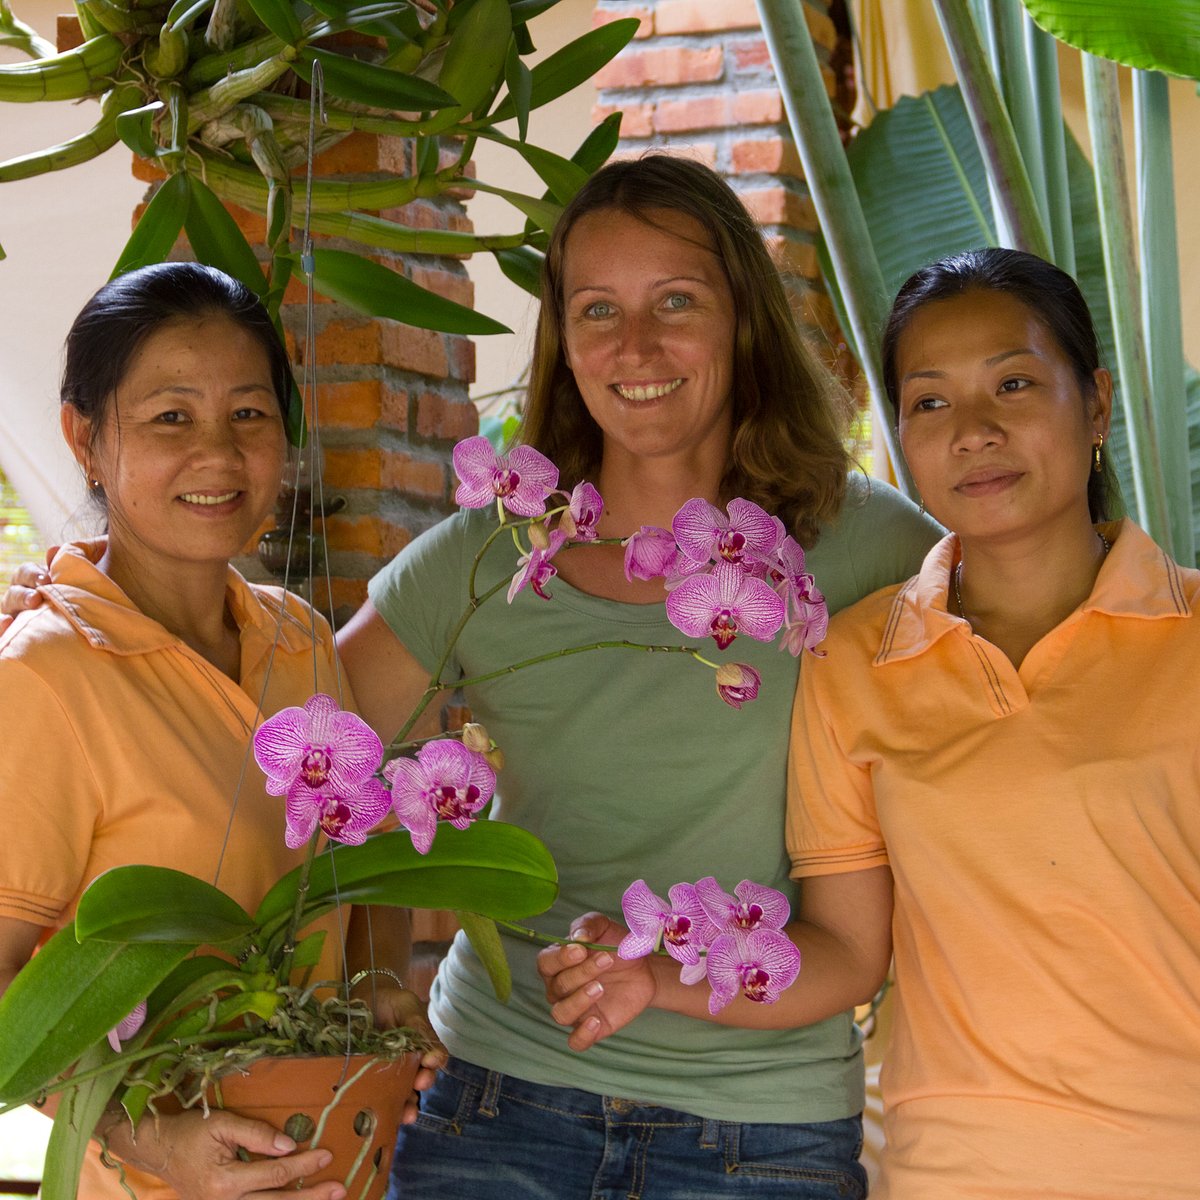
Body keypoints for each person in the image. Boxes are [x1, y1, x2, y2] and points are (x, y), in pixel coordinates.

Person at [334, 154, 940, 1199]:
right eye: (598, 310)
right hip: (498, 1105)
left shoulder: (869, 548)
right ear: (563, 343)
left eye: (677, 301)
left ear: (743, 320)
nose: (637, 346)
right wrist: (372, 982)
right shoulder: (491, 555)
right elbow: (296, 753)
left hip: (767, 1131)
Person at [0, 263, 435, 1200]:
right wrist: (147, 1136)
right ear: (84, 436)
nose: (220, 456)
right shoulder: (41, 678)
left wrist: (376, 996)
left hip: (329, 1165)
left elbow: (360, 866)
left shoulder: (300, 639)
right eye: (170, 418)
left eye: (248, 415)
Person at [779, 248, 1200, 1197]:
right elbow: (847, 951)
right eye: (930, 402)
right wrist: (661, 975)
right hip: (950, 1171)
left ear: (1093, 404)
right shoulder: (850, 663)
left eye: (1013, 384)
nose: (973, 431)